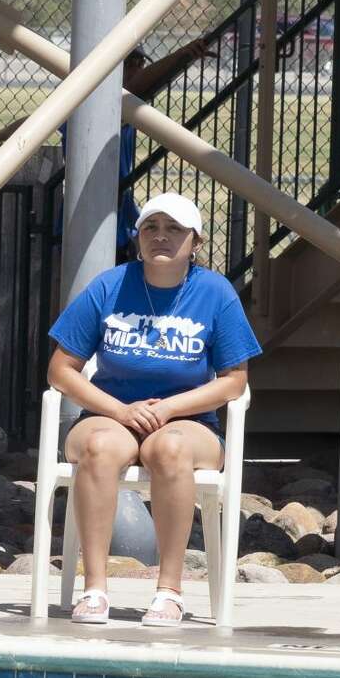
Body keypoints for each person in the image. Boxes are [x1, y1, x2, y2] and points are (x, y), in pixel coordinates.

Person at [46, 192, 261, 627]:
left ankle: (169, 592)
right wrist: (121, 412)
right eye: (151, 228)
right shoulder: (109, 286)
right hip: (111, 414)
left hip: (189, 422)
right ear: (138, 236)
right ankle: (95, 589)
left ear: (195, 241)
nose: (161, 237)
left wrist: (168, 410)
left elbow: (234, 380)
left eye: (174, 229)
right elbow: (61, 371)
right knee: (100, 448)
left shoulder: (216, 293)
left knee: (170, 450)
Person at [0, 32, 217, 261]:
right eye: (130, 64)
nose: (136, 70)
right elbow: (37, 121)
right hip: (88, 211)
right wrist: (182, 55)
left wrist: (183, 57)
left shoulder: (122, 105)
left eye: (139, 64)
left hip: (115, 208)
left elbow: (145, 85)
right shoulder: (94, 106)